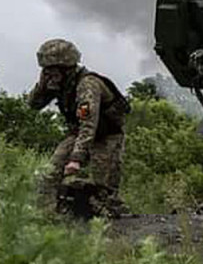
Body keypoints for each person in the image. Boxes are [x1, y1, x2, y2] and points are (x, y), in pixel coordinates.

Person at [26, 38, 130, 218]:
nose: (49, 74)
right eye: (46, 71)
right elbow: (33, 104)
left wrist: (76, 158)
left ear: (65, 68)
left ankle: (116, 225)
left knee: (104, 191)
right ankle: (47, 216)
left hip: (106, 137)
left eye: (52, 71)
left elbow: (89, 124)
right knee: (49, 173)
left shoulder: (87, 85)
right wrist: (42, 85)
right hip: (80, 134)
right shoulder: (59, 83)